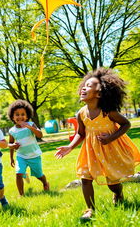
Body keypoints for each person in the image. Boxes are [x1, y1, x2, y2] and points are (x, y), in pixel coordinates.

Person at [55, 68, 140, 221]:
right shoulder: (80, 113)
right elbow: (81, 133)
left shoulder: (108, 112)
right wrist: (70, 147)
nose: (84, 87)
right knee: (85, 178)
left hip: (110, 148)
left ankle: (118, 193)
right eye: (84, 85)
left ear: (99, 94)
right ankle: (90, 209)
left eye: (89, 85)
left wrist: (111, 137)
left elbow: (126, 124)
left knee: (112, 183)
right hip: (91, 150)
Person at [7, 99, 49, 196]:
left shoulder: (31, 125)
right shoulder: (12, 131)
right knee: (18, 173)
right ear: (12, 117)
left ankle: (45, 183)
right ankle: (21, 195)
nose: (20, 117)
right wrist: (11, 157)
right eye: (17, 114)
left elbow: (40, 135)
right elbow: (10, 144)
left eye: (23, 114)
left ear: (27, 116)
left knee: (39, 175)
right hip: (21, 156)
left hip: (34, 155)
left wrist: (30, 128)